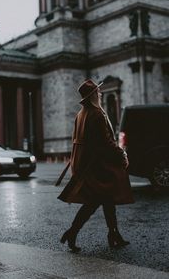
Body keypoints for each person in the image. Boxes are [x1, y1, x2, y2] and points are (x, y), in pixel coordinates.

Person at [57, 79, 134, 253]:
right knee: (95, 202)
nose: (100, 94)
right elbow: (105, 142)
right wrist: (122, 155)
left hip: (88, 164)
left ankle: (113, 234)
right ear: (93, 96)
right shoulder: (97, 114)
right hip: (99, 166)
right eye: (98, 92)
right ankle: (73, 232)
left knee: (107, 199)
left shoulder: (81, 114)